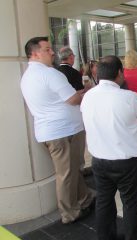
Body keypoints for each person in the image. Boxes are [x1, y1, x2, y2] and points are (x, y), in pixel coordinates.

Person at [20, 36, 94, 224]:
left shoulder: (27, 76)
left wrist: (76, 93)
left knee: (72, 170)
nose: (53, 52)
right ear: (35, 54)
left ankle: (84, 199)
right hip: (63, 132)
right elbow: (72, 100)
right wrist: (84, 93)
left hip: (54, 131)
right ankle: (69, 213)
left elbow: (59, 98)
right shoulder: (50, 74)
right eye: (47, 49)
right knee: (66, 174)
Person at [81, 55, 137, 240]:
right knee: (130, 207)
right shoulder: (129, 97)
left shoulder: (88, 96)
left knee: (104, 204)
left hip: (99, 162)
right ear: (120, 73)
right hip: (127, 164)